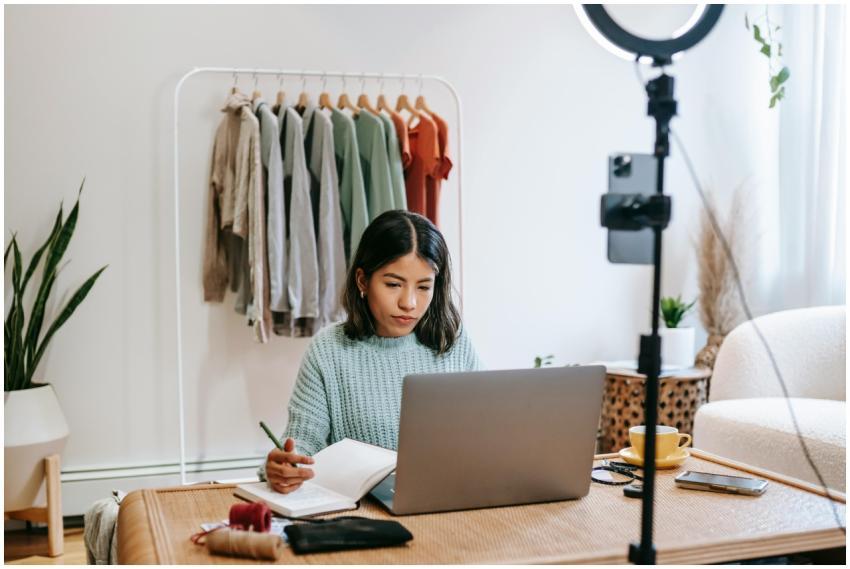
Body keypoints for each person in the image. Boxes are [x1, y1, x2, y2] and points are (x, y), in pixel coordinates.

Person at [262, 210, 482, 494]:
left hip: (450, 501)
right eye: (393, 284)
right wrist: (284, 467)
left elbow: (486, 432)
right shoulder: (328, 350)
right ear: (363, 281)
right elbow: (301, 444)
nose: (409, 303)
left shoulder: (453, 341)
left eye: (424, 286)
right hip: (364, 514)